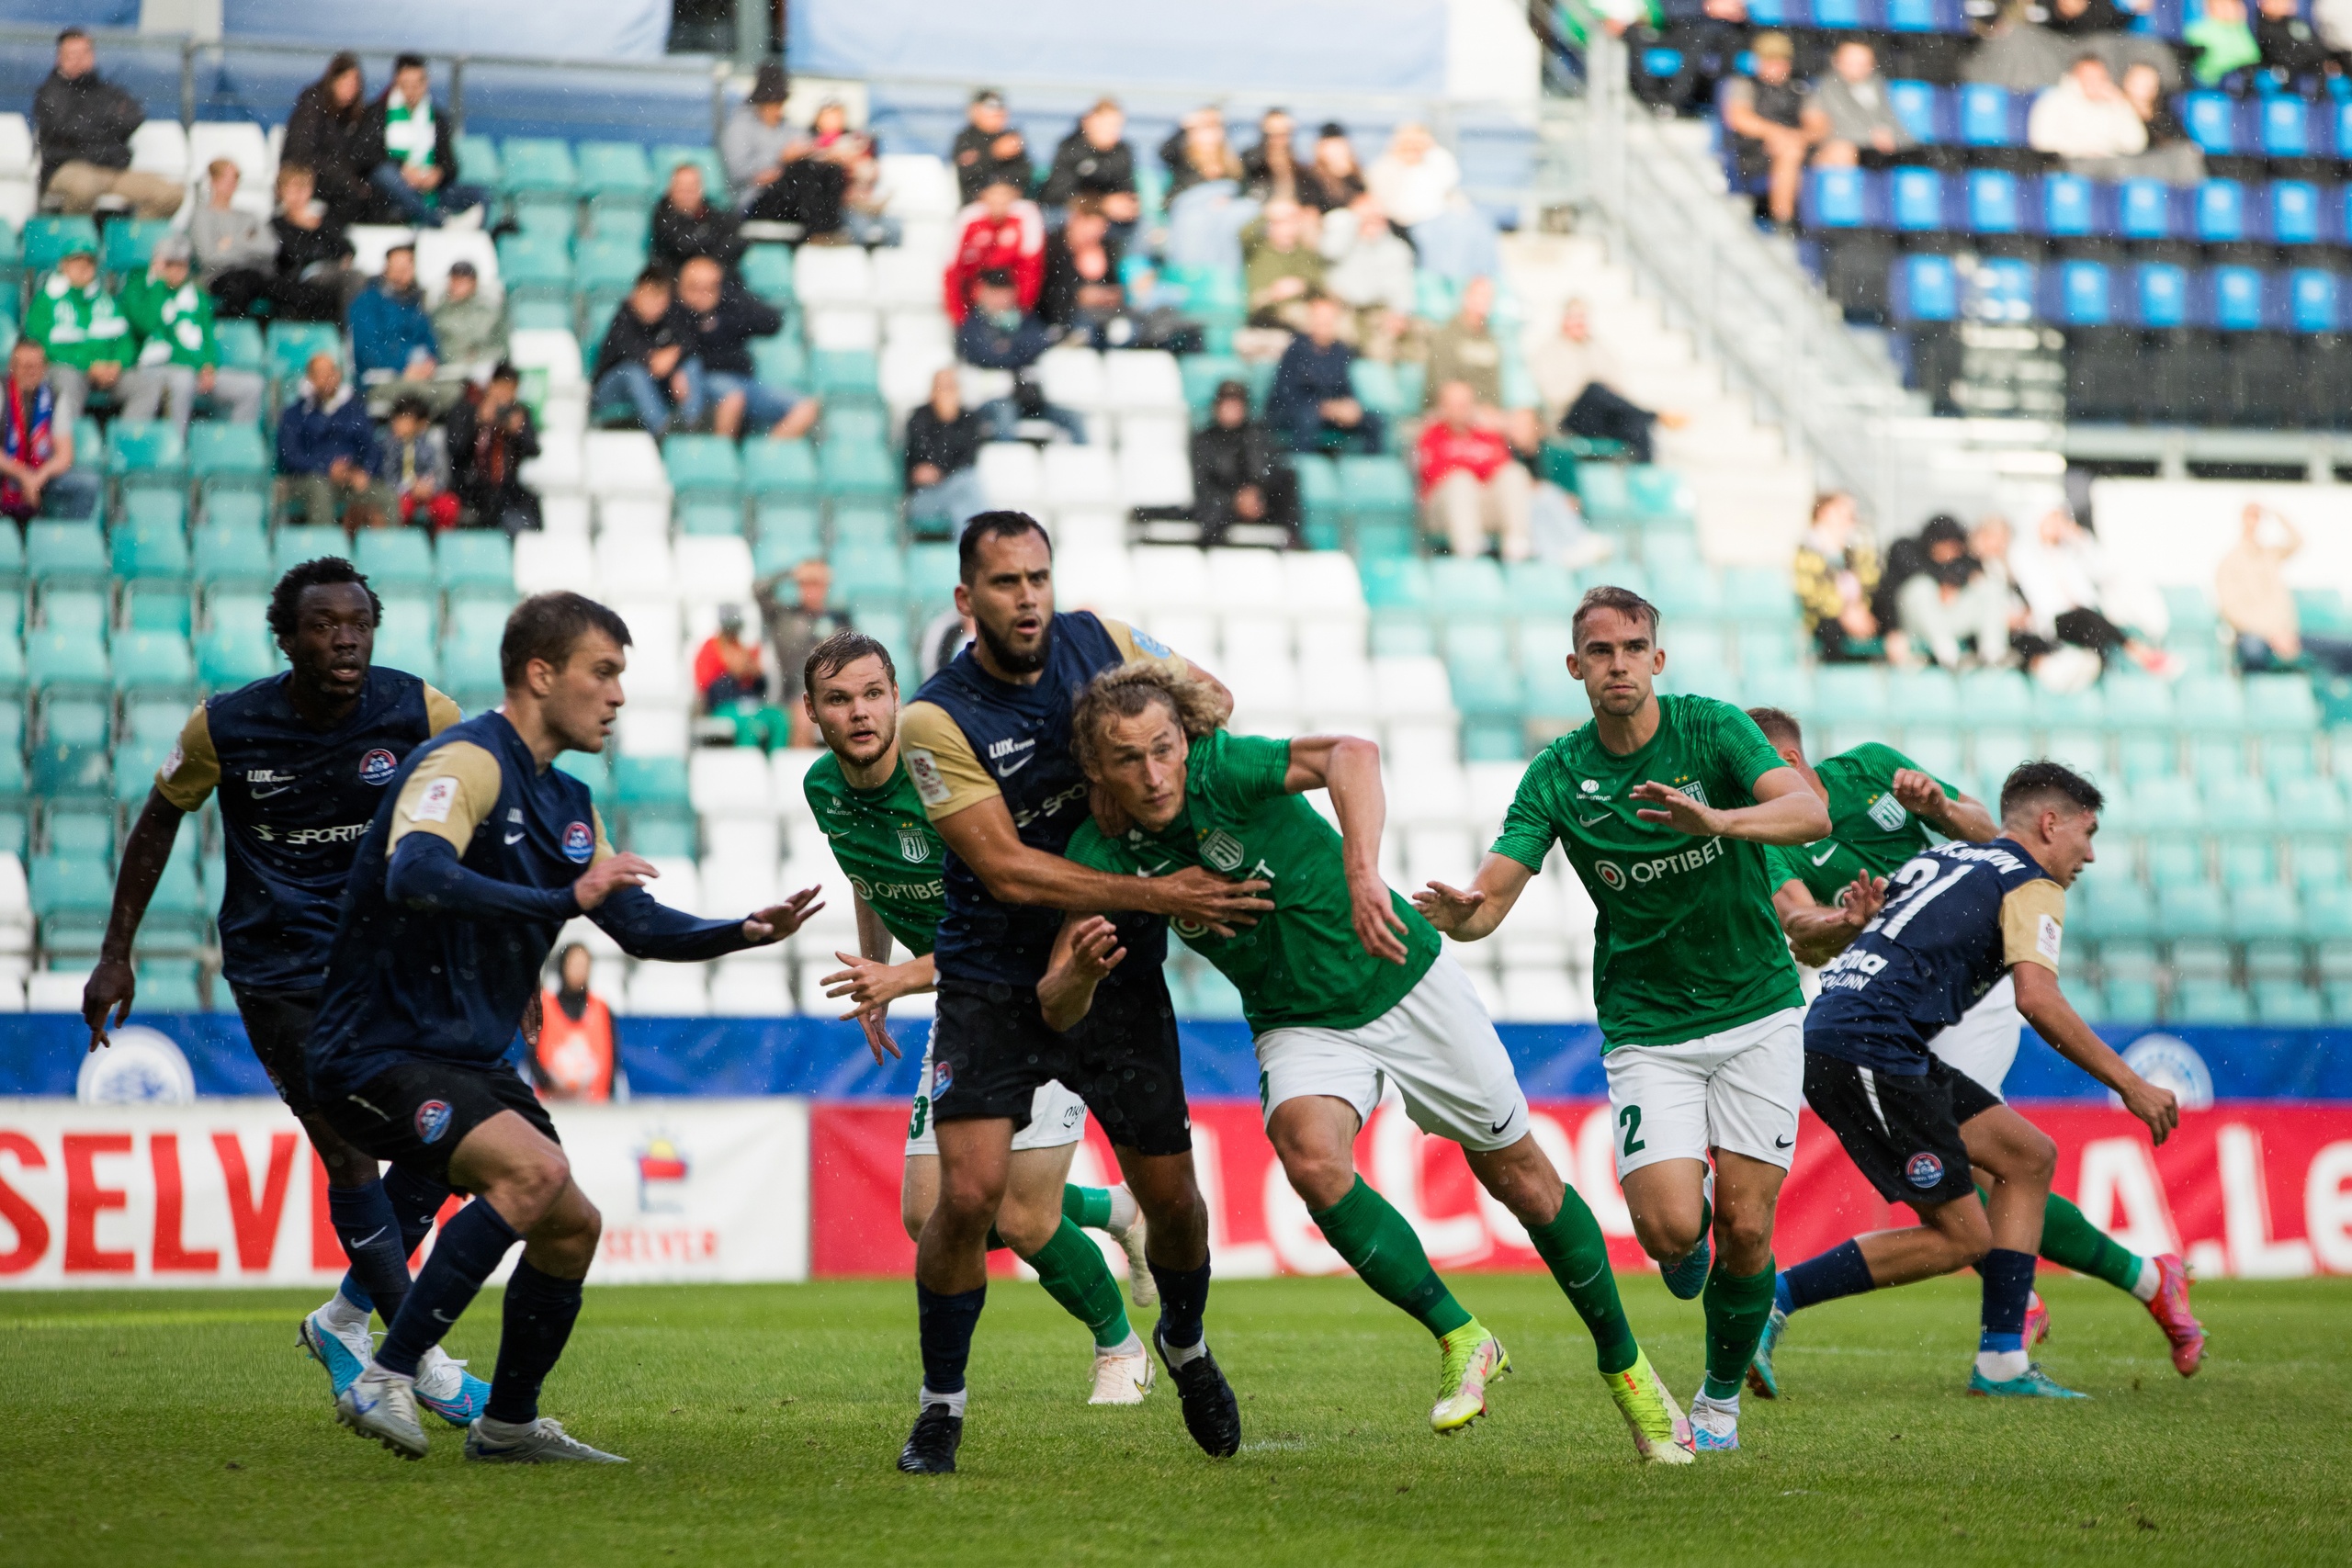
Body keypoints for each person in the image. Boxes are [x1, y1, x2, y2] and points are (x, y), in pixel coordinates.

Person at [1052, 663, 1699, 1458]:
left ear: (1186, 739)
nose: (1154, 774)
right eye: (1128, 759)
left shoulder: (1226, 768)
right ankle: (1462, 1335)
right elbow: (1055, 1000)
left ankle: (1626, 1366)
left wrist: (1362, 872)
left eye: (1165, 748)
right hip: (1298, 1019)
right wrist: (1081, 970)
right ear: (1096, 768)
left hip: (1399, 970)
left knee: (1522, 1178)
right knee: (1310, 1159)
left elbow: (1352, 753)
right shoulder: (1099, 850)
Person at [312, 592, 823, 1463]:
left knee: (569, 1223)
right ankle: (385, 1374)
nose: (619, 694)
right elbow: (415, 872)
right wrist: (562, 899)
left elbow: (636, 926)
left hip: (465, 1059)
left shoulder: (569, 803)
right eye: (604, 671)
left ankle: (507, 1426)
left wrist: (740, 930)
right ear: (541, 675)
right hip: (376, 1046)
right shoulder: (465, 762)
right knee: (535, 1171)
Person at [888, 512, 1271, 1473]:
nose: (1028, 598)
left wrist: (1174, 711)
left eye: (1038, 578)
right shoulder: (935, 720)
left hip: (1119, 967)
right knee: (966, 1197)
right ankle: (940, 1406)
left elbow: (1210, 700)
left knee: (1174, 1201)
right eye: (1006, 583)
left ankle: (1181, 1343)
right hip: (989, 977)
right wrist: (1160, 891)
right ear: (966, 598)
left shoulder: (1101, 641)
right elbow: (1007, 871)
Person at [1412, 585, 1832, 1455]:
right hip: (1648, 1026)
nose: (1618, 664)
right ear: (1576, 667)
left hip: (1757, 1009)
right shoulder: (1559, 774)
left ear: (1657, 658)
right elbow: (1494, 895)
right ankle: (1690, 1225)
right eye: (1600, 652)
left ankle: (1717, 1402)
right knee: (1672, 1232)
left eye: (1633, 647)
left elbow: (1809, 810)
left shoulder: (1714, 730)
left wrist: (1720, 818)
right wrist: (1463, 915)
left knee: (1752, 1229)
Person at [81, 557, 485, 1426]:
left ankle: (343, 1320)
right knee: (349, 1152)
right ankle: (426, 1363)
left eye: (359, 623)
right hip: (280, 972)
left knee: (448, 1143)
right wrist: (116, 952)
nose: (345, 637)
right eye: (324, 624)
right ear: (287, 636)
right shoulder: (225, 727)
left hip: (388, 960)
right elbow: (159, 818)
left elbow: (480, 813)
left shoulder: (421, 712)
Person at [1739, 710, 2208, 1396]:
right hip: (1871, 1038)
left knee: (2025, 1156)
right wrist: (2130, 1083)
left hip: (1867, 1025)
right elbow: (2038, 999)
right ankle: (1773, 1300)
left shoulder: (1940, 848)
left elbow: (1975, 839)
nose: (2092, 855)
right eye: (2088, 833)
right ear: (2051, 824)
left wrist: (1935, 810)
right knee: (1965, 1233)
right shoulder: (2031, 884)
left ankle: (2005, 1356)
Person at [799, 629, 1159, 1405]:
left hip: (1042, 986)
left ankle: (1121, 1348)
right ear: (812, 712)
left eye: (871, 694)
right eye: (838, 699)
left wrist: (899, 976)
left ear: (897, 697)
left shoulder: (942, 776)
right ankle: (1110, 1208)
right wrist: (875, 975)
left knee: (1025, 1217)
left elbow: (1005, 911)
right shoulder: (823, 786)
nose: (859, 712)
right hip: (965, 1004)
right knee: (928, 1214)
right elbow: (868, 871)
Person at [120, 234, 266, 436]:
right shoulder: (139, 289)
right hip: (156, 368)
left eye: (182, 264)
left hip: (195, 368)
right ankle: (175, 448)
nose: (178, 270)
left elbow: (206, 335)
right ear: (158, 264)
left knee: (252, 386)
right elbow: (145, 325)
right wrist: (158, 285)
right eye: (171, 264)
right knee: (183, 379)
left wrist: (208, 365)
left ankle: (236, 449)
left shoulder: (196, 295)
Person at [2007, 504, 2178, 678]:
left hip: (2085, 615)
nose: (2057, 525)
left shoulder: (2069, 552)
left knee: (2094, 620)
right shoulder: (2025, 554)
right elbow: (2041, 595)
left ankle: (2108, 664)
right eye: (2052, 520)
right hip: (2055, 619)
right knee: (2088, 619)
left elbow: (2104, 570)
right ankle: (2138, 652)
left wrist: (2078, 539)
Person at [33, 28, 182, 219]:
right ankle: (78, 244)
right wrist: (106, 123)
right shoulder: (50, 93)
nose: (79, 59)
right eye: (72, 54)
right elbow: (66, 129)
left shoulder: (105, 90)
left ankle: (128, 244)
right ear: (59, 58)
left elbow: (134, 116)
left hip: (113, 170)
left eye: (84, 53)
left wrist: (90, 124)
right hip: (68, 168)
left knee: (169, 194)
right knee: (84, 188)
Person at [674, 255, 816, 440]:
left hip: (743, 381)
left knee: (806, 407)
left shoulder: (729, 309)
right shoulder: (674, 314)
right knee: (733, 398)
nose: (703, 294)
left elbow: (771, 322)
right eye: (695, 287)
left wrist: (729, 297)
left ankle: (764, 457)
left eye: (711, 287)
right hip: (707, 381)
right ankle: (722, 458)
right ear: (680, 288)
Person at [1531, 299, 1681, 466]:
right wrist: (1587, 390)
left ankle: (1645, 476)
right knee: (1594, 390)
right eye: (1572, 317)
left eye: (1581, 317)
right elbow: (1553, 395)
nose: (1577, 323)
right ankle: (1653, 415)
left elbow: (1617, 386)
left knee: (1635, 424)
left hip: (1601, 415)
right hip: (1569, 417)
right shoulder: (1549, 352)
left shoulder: (1600, 348)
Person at [2219, 503, 2352, 675]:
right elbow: (2231, 612)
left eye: (2258, 518)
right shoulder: (2229, 563)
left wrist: (2275, 512)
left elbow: (2298, 541)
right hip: (2256, 636)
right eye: (2251, 517)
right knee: (2254, 653)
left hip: (2288, 635)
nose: (2255, 523)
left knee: (2345, 650)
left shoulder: (2270, 555)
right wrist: (2272, 635)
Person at [956, 271, 1086, 445]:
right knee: (1005, 413)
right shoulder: (973, 326)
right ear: (982, 293)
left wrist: (1011, 347)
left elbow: (1043, 340)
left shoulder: (1026, 319)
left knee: (1074, 418)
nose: (1001, 299)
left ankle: (1086, 468)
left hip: (1028, 397)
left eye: (1005, 292)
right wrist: (1024, 349)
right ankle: (1010, 463)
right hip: (990, 398)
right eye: (995, 292)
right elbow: (987, 356)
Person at [360, 54, 486, 228]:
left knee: (482, 195)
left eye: (417, 84)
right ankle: (439, 222)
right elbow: (366, 156)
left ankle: (462, 231)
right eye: (406, 85)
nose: (412, 91)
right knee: (386, 175)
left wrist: (437, 173)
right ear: (396, 83)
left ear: (426, 83)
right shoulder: (377, 114)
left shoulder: (437, 118)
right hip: (391, 192)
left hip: (430, 189)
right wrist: (402, 168)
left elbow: (450, 164)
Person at [723, 62, 845, 240]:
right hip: (758, 200)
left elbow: (807, 147)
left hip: (787, 192)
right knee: (803, 172)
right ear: (761, 102)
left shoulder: (787, 127)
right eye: (774, 102)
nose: (778, 108)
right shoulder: (739, 127)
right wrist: (780, 159)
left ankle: (828, 230)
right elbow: (738, 172)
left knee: (829, 171)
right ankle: (819, 232)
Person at [1419, 379, 1532, 561]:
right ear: (1442, 406)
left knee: (1514, 473)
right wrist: (1475, 467)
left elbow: (1500, 468)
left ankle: (1517, 545)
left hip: (1481, 503)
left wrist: (1467, 465)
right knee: (1460, 481)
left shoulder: (1487, 434)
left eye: (1464, 404)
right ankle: (1469, 550)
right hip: (1445, 509)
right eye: (1454, 404)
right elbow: (1434, 475)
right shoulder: (1431, 435)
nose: (1460, 409)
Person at [1722, 33, 1827, 230]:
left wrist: (1798, 137)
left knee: (1838, 153)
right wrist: (1776, 134)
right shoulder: (1745, 84)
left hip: (1797, 146)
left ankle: (1832, 221)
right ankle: (1783, 220)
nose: (1777, 67)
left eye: (1781, 61)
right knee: (1790, 152)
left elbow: (1818, 125)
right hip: (1754, 152)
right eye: (1771, 61)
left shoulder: (1799, 88)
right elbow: (1739, 118)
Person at [26, 238, 131, 430]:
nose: (83, 267)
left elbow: (126, 340)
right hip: (70, 368)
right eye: (77, 261)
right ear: (63, 265)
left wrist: (117, 364)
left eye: (89, 262)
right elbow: (41, 345)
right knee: (68, 380)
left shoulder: (105, 300)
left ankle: (128, 442)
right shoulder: (47, 299)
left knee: (145, 385)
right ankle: (71, 446)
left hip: (108, 371)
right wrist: (88, 364)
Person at [277, 354, 383, 529]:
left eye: (330, 373)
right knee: (320, 489)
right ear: (310, 379)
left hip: (348, 479)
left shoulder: (355, 410)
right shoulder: (295, 414)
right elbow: (290, 456)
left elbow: (371, 447)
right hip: (307, 479)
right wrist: (326, 467)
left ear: (338, 375)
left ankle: (388, 551)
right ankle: (325, 550)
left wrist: (364, 471)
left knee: (385, 495)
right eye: (319, 374)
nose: (325, 379)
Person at [754, 558, 853, 746]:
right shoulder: (784, 617)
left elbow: (855, 654)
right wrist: (791, 572)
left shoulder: (839, 620)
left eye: (817, 584)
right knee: (803, 717)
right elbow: (758, 590)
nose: (812, 590)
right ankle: (802, 774)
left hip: (834, 690)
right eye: (806, 584)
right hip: (793, 693)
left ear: (826, 586)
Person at [1266, 294, 1382, 455]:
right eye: (1319, 318)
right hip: (1294, 411)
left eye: (1328, 319)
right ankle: (1305, 469)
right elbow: (1286, 394)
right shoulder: (1295, 349)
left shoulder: (1341, 351)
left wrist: (1348, 406)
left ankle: (1367, 472)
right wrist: (1323, 407)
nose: (1323, 324)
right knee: (1307, 418)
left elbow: (1345, 388)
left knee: (1375, 421)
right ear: (1310, 320)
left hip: (1329, 414)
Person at [0, 340, 99, 523]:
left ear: (45, 368)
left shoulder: (55, 397)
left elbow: (64, 455)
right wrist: (23, 475)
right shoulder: (2, 392)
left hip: (40, 475)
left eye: (37, 366)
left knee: (87, 483)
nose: (31, 372)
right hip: (6, 473)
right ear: (12, 367)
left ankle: (64, 542)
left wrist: (37, 478)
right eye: (25, 366)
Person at [1190, 379, 1299, 546]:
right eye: (1227, 403)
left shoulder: (1256, 435)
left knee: (1288, 479)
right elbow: (1203, 485)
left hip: (1259, 506)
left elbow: (1267, 470)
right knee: (1210, 510)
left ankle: (1292, 541)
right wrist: (1234, 501)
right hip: (1222, 509)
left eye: (1236, 404)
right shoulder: (1204, 441)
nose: (1231, 410)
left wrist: (1256, 493)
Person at [1895, 518, 2014, 670]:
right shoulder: (1907, 549)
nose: (1950, 551)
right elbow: (1895, 588)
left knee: (1990, 587)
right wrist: (1942, 585)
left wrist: (1956, 586)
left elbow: (1974, 573)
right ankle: (1946, 653)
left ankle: (1993, 655)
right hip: (1917, 626)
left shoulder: (1967, 561)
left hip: (1948, 620)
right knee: (1922, 587)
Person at [593, 266, 697, 438]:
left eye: (660, 297)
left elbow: (689, 342)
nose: (655, 304)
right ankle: (663, 433)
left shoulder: (669, 318)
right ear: (636, 294)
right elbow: (635, 354)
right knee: (632, 372)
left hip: (652, 388)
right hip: (611, 391)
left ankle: (691, 426)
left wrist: (676, 361)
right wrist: (656, 360)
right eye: (649, 296)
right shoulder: (623, 319)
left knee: (691, 365)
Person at [350, 244, 450, 416]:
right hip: (380, 380)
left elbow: (430, 341)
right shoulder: (367, 302)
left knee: (456, 393)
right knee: (425, 395)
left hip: (419, 377)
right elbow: (366, 351)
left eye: (405, 268)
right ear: (385, 269)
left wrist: (428, 363)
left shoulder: (415, 303)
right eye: (395, 268)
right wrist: (403, 366)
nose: (400, 274)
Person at [284, 52, 379, 228]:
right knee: (352, 197)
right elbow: (301, 152)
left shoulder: (348, 116)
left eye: (355, 83)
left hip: (330, 175)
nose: (351, 89)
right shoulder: (313, 106)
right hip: (308, 175)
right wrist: (346, 179)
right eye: (347, 81)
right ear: (333, 80)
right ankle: (328, 235)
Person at [447, 364, 542, 534]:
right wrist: (477, 422)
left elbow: (534, 450)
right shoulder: (466, 409)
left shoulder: (518, 412)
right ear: (491, 385)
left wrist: (517, 432)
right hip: (471, 487)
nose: (505, 395)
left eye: (511, 389)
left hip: (506, 489)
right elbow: (456, 448)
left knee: (528, 514)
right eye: (502, 387)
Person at [1320, 197, 1419, 363]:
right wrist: (1354, 219)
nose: (1372, 223)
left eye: (1377, 218)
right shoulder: (1343, 242)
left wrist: (1400, 314)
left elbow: (1403, 287)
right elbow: (1328, 251)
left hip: (1378, 313)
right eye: (1367, 218)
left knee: (1398, 351)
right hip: (1342, 311)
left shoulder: (1397, 249)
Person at [1794, 491, 1884, 663]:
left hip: (1856, 615)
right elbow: (1812, 594)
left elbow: (1871, 581)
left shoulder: (1854, 550)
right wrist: (1846, 612)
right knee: (1831, 629)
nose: (1850, 518)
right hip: (1825, 622)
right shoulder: (1806, 551)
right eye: (1842, 512)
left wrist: (1859, 610)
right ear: (1823, 513)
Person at [944, 175, 1046, 323]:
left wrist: (1024, 308)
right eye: (994, 194)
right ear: (983, 196)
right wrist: (959, 316)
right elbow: (952, 270)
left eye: (1005, 194)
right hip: (975, 304)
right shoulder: (968, 220)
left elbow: (1032, 267)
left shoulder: (1026, 217)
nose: (999, 200)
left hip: (1014, 304)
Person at [192, 160, 284, 320]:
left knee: (287, 290)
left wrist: (231, 244)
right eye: (225, 178)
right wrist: (248, 243)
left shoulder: (249, 216)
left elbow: (271, 248)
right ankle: (235, 333)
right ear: (213, 181)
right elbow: (209, 258)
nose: (231, 184)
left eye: (234, 178)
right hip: (220, 277)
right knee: (238, 287)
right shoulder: (201, 216)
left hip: (255, 274)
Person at [268, 164, 358, 322]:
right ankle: (349, 328)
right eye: (294, 188)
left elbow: (347, 248)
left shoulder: (323, 221)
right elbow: (291, 256)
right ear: (281, 191)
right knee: (350, 279)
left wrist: (319, 227)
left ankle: (352, 327)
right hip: (301, 277)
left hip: (331, 272)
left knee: (358, 278)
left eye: (304, 188)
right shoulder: (277, 224)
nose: (299, 194)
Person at [904, 367, 988, 535]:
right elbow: (922, 461)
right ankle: (986, 534)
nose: (946, 393)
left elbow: (967, 459)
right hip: (924, 498)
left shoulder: (968, 420)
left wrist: (940, 472)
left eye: (950, 387)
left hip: (954, 491)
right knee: (968, 483)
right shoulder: (919, 417)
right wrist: (945, 421)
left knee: (961, 508)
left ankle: (968, 552)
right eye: (941, 387)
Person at [2028, 55, 2150, 168]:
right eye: (2088, 77)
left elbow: (2136, 145)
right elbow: (2043, 141)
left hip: (2109, 165)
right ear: (2074, 78)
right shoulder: (2053, 100)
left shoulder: (2113, 105)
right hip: (2069, 163)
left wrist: (2121, 105)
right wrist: (2083, 151)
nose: (2094, 82)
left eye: (2100, 78)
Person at [1811, 40, 1917, 170]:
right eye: (1851, 62)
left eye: (1863, 63)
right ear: (1836, 62)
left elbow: (1892, 120)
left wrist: (1893, 137)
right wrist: (1872, 136)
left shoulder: (1876, 82)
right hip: (1855, 147)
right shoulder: (1828, 86)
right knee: (1842, 154)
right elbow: (1838, 125)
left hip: (1881, 150)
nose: (1858, 68)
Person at [531, 944, 616, 1103]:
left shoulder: (602, 1008)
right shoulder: (544, 1006)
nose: (579, 971)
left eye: (584, 965)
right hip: (552, 1105)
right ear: (562, 966)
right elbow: (531, 1056)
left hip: (594, 1106)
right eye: (574, 964)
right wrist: (549, 1084)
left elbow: (613, 1060)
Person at [1040, 98, 1140, 227]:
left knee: (1139, 223)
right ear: (1089, 122)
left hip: (1109, 219)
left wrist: (1128, 205)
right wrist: (1100, 205)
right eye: (1108, 125)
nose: (1114, 132)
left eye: (1118, 126)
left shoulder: (1122, 151)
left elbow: (1128, 190)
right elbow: (1056, 196)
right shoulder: (1070, 148)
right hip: (1069, 214)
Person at [1038, 197, 1126, 335]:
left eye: (1100, 231)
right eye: (1090, 229)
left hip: (1102, 315)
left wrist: (1106, 295)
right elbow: (1047, 292)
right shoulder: (1053, 247)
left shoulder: (1106, 248)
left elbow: (1116, 287)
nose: (1094, 236)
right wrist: (1077, 296)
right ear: (1076, 220)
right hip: (1060, 318)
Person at [372, 394, 458, 532]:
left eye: (406, 420)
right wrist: (410, 487)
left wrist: (429, 487)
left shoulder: (431, 444)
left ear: (421, 424)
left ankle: (442, 545)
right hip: (400, 493)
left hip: (427, 492)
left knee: (448, 505)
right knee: (399, 508)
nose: (400, 425)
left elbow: (441, 474)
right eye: (397, 419)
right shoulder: (386, 445)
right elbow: (387, 477)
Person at [1240, 197, 1326, 333]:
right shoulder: (1258, 248)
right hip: (1263, 312)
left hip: (1297, 314)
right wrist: (1267, 212)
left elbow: (1319, 282)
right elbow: (1244, 234)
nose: (1285, 228)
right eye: (1279, 222)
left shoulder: (1304, 252)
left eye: (1290, 222)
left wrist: (1300, 285)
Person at [2119, 61, 2207, 185]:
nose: (2145, 86)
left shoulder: (2165, 113)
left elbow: (2186, 143)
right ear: (2126, 82)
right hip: (2133, 171)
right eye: (2140, 81)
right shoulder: (2115, 110)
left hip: (2166, 171)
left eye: (2149, 82)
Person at [651, 163, 746, 275]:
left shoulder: (714, 214)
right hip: (674, 278)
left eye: (692, 187)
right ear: (670, 190)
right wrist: (711, 245)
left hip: (717, 279)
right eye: (682, 188)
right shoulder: (662, 216)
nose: (687, 193)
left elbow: (737, 239)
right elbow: (682, 245)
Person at [951, 87, 1034, 205]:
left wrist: (1003, 192)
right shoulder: (966, 139)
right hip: (976, 206)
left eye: (1001, 106)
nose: (998, 111)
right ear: (974, 110)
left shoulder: (1011, 138)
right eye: (990, 106)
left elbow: (1024, 174)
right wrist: (993, 153)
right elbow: (964, 174)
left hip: (1010, 205)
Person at [430, 261, 509, 382]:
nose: (457, 285)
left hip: (484, 369)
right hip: (449, 370)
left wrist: (482, 358)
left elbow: (502, 346)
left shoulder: (489, 310)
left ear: (474, 283)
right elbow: (434, 345)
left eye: (463, 280)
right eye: (455, 280)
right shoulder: (438, 313)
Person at [1159, 107, 1244, 200]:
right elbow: (1165, 152)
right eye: (1207, 126)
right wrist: (1183, 128)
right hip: (1189, 204)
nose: (1212, 131)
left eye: (1216, 125)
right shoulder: (1184, 156)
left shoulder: (1231, 161)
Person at [2185, 0, 2263, 85]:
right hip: (2212, 79)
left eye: (2233, 6)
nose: (2229, 10)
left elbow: (2252, 55)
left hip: (2244, 76)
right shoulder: (2198, 30)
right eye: (2223, 6)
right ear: (2210, 9)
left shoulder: (2241, 29)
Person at [1298, 123, 1367, 213]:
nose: (1336, 151)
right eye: (1331, 146)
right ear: (1320, 149)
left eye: (1339, 145)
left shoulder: (1355, 176)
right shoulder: (1312, 178)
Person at [1239, 108, 1301, 203]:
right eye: (1272, 135)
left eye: (1283, 134)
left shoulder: (1299, 163)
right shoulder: (1251, 162)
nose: (1278, 141)